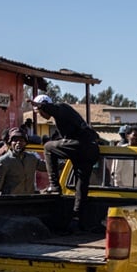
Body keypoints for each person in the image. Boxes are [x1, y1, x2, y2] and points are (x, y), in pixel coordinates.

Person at [32, 95, 101, 230]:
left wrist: (39, 105)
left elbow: (53, 109)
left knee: (48, 147)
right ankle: (77, 216)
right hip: (90, 149)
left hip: (81, 145)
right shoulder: (64, 116)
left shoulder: (62, 108)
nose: (41, 115)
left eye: (40, 112)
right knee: (81, 185)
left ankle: (54, 186)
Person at [0, 128, 45, 195]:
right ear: (10, 143)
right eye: (15, 140)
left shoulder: (32, 159)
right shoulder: (2, 162)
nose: (18, 143)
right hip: (11, 203)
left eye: (21, 140)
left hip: (29, 202)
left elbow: (48, 167)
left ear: (26, 143)